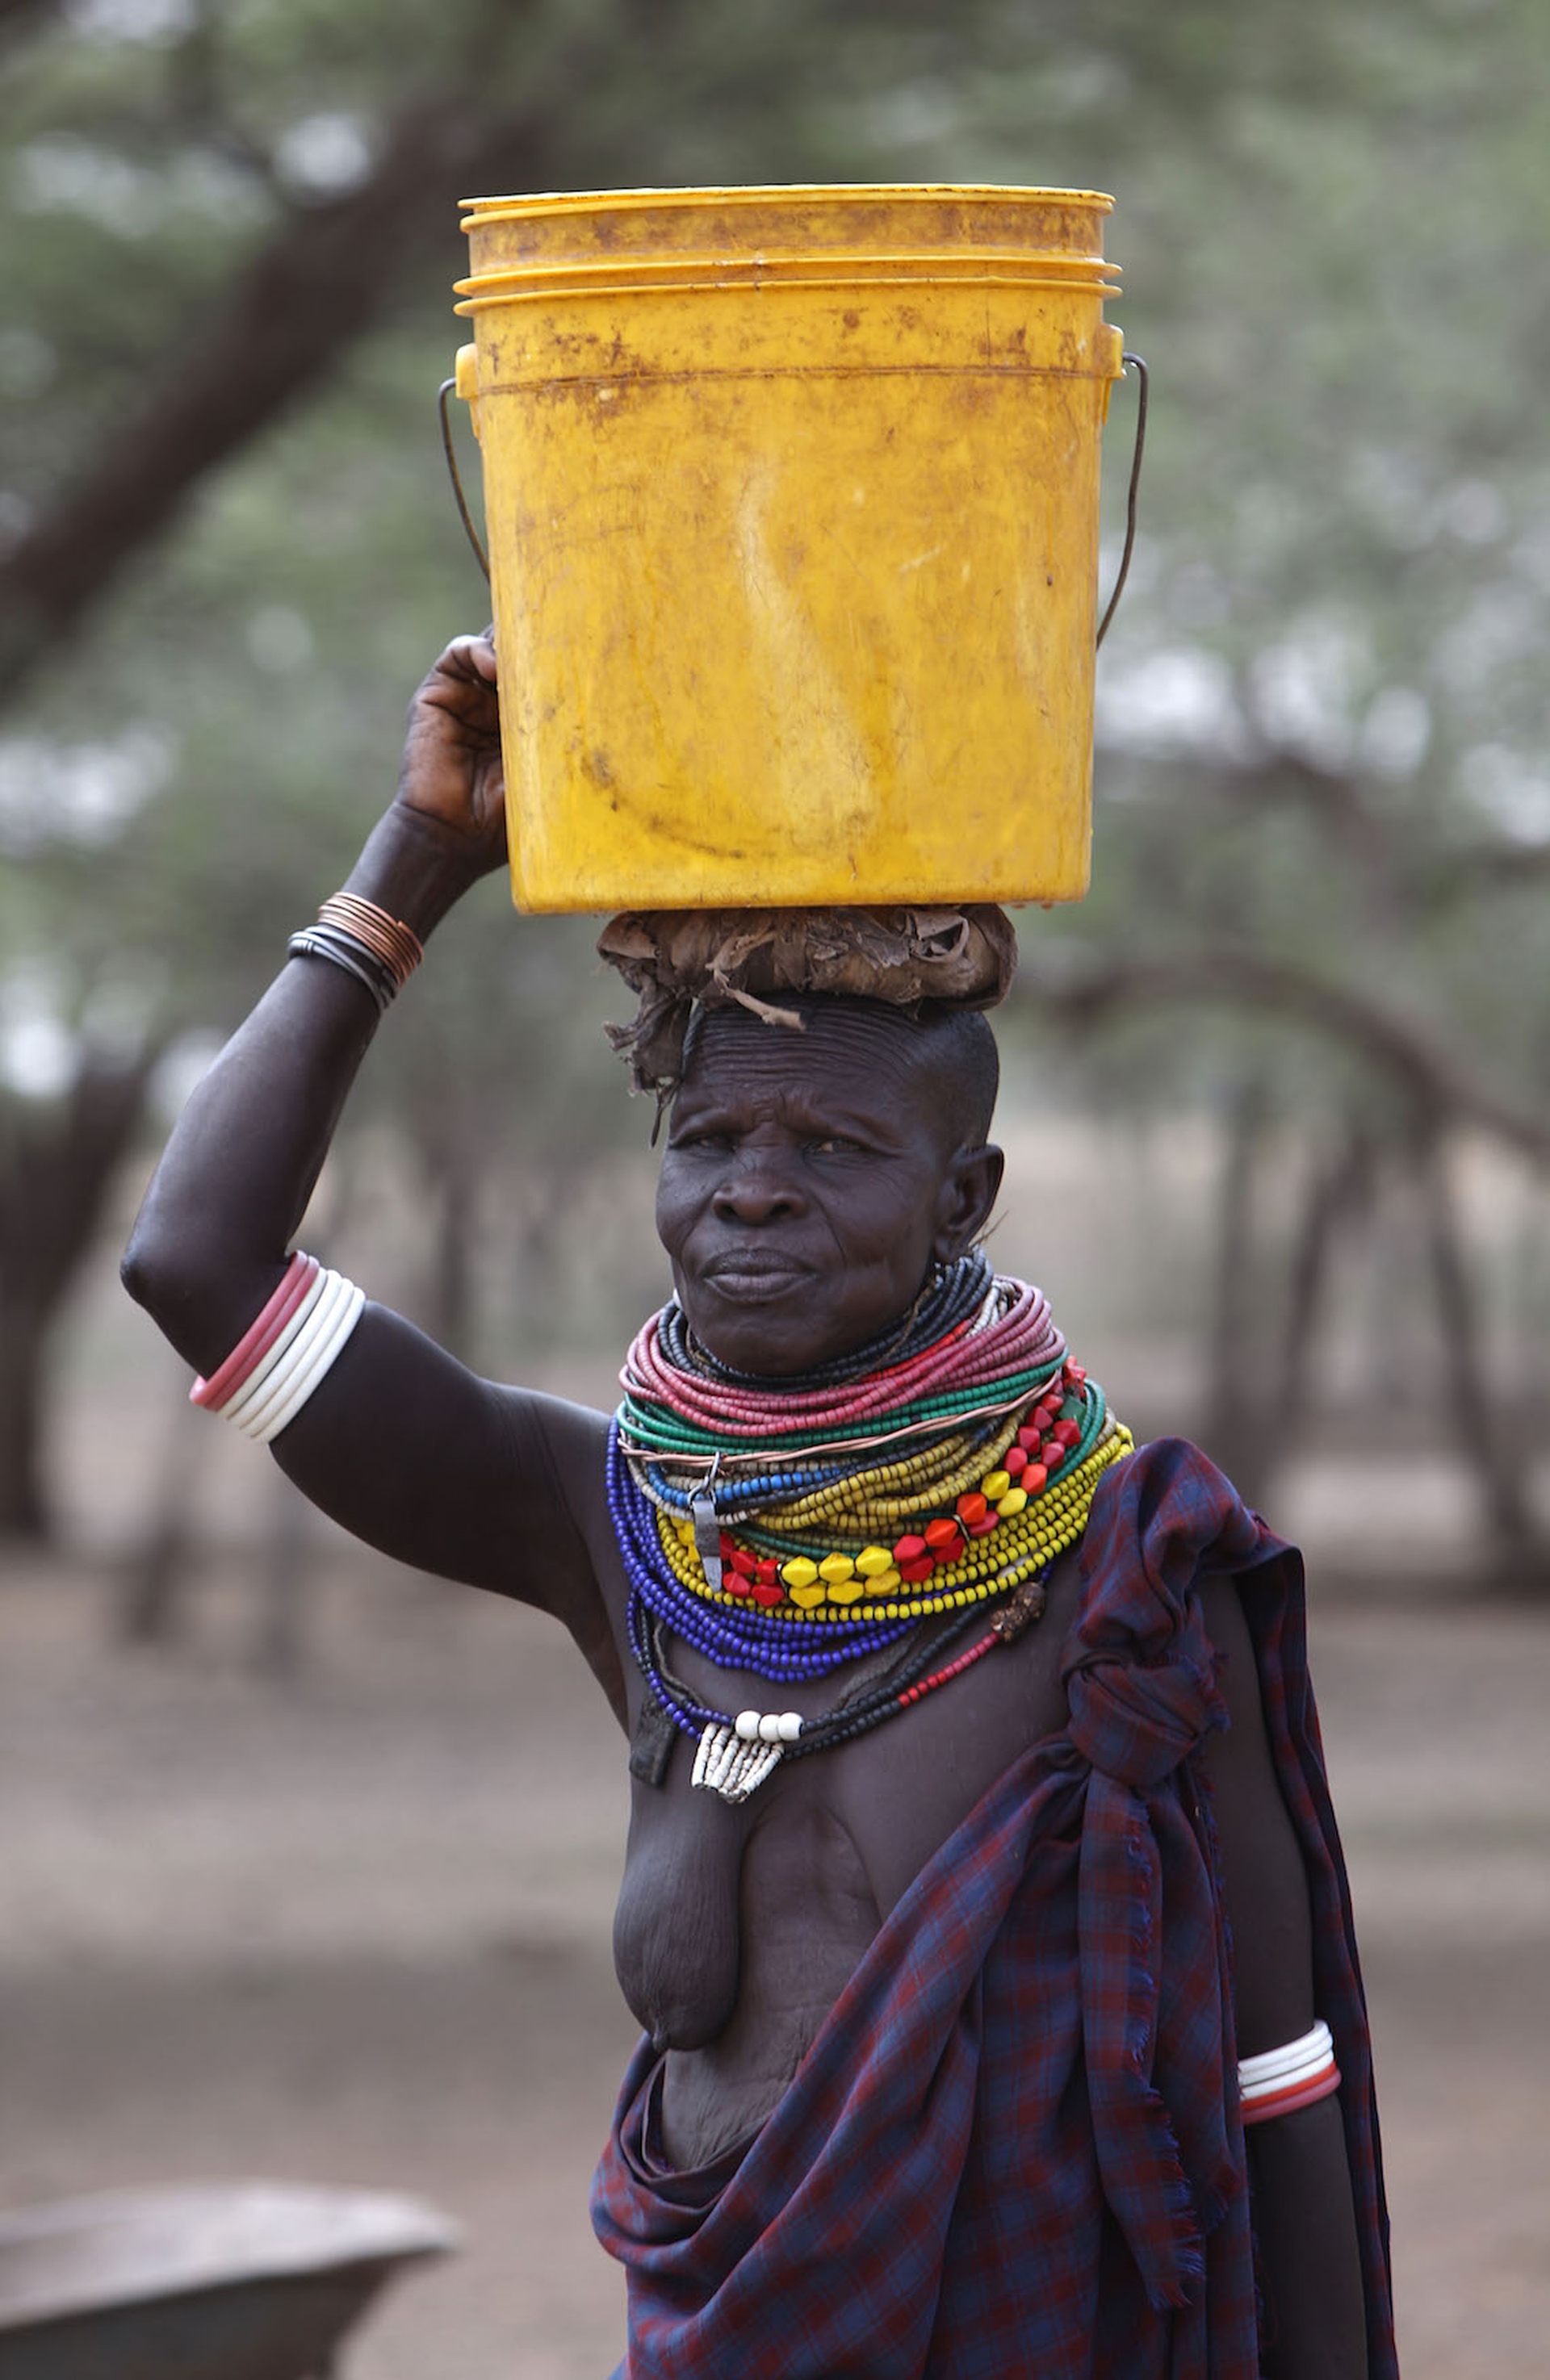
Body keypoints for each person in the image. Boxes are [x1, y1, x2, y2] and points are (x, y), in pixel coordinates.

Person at [122, 633, 1397, 2380]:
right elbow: (195, 1257)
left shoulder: (1130, 1563)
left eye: (836, 1147)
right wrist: (415, 860)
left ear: (969, 1191)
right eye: (711, 1138)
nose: (755, 1196)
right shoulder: (612, 1523)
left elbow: (1279, 2068)